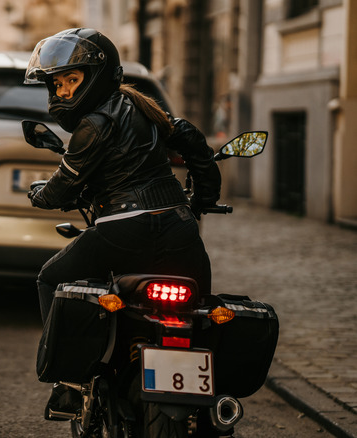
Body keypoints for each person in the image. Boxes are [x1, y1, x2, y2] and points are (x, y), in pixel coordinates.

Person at [24, 28, 221, 418]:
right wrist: (202, 200)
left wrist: (39, 194)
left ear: (97, 77)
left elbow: (63, 188)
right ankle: (209, 404)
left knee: (50, 278)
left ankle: (68, 381)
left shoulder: (92, 126)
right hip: (181, 231)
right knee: (199, 313)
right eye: (58, 83)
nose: (62, 92)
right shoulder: (150, 113)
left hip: (122, 231)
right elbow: (195, 144)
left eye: (71, 80)